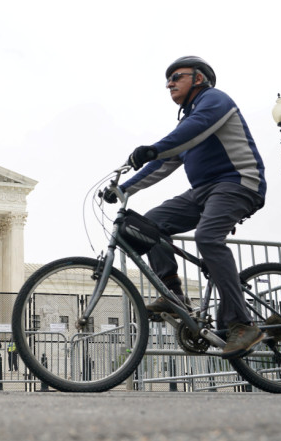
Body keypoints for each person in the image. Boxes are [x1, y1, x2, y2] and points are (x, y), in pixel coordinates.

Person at [108, 56, 267, 359]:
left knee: (207, 238)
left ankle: (242, 323)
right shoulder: (188, 123)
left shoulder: (215, 101)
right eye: (167, 80)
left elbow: (189, 132)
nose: (169, 83)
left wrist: (154, 146)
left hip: (239, 183)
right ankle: (173, 294)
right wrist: (124, 188)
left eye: (176, 76)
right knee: (148, 224)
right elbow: (163, 162)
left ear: (198, 78)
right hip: (204, 191)